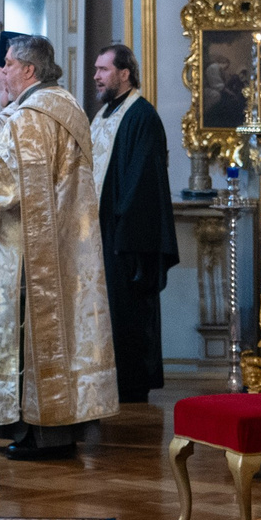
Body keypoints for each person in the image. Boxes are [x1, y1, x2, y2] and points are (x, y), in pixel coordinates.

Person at [0, 36, 118, 459]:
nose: (1, 72)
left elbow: (7, 185)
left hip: (31, 250)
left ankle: (39, 433)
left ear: (29, 70)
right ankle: (53, 428)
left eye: (7, 64)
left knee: (33, 334)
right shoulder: (68, 106)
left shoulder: (30, 117)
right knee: (65, 332)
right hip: (67, 242)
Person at [90, 44, 178, 404]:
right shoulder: (105, 115)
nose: (96, 76)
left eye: (103, 69)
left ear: (125, 74)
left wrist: (122, 232)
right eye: (96, 69)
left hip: (126, 238)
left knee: (128, 312)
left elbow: (142, 182)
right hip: (101, 232)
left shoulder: (141, 116)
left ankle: (131, 384)